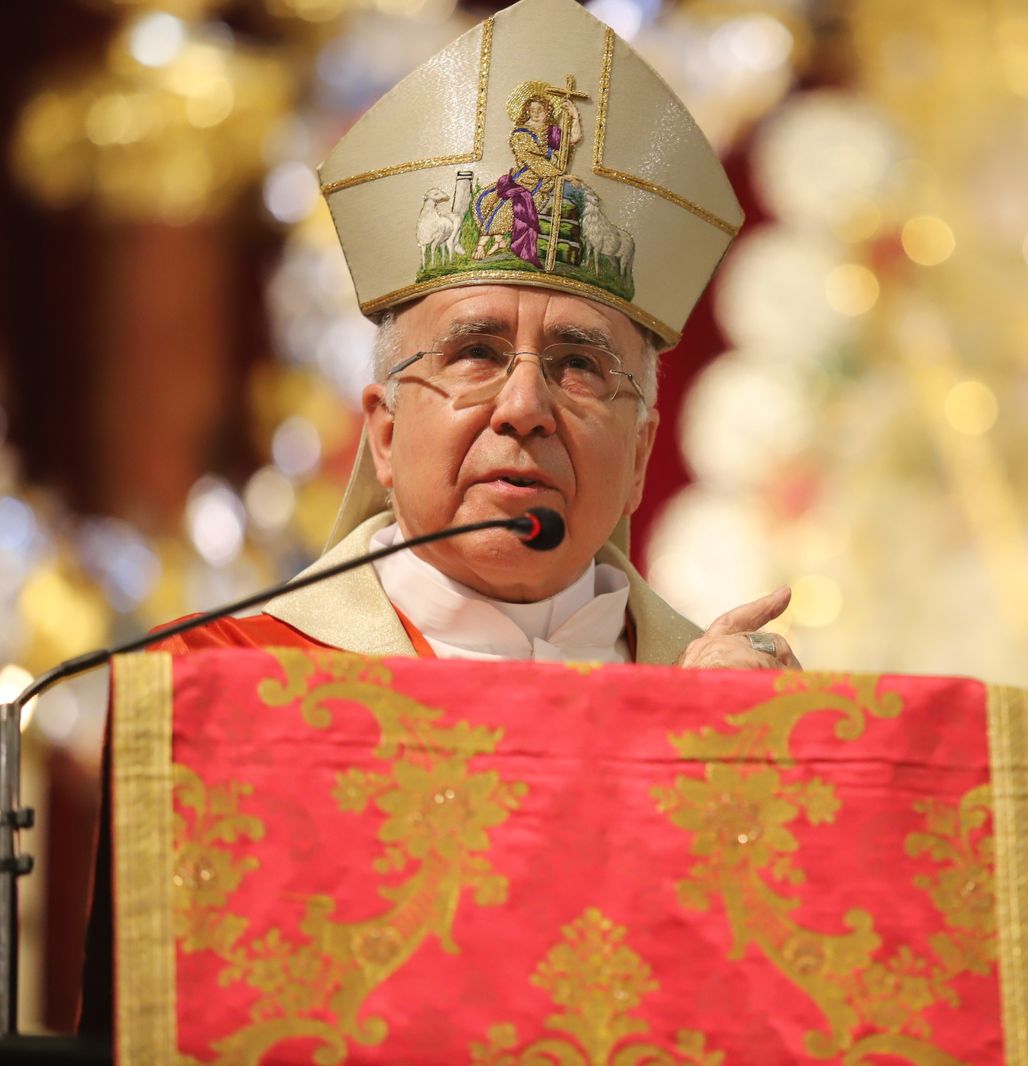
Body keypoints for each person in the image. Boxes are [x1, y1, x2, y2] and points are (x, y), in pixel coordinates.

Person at [81, 0, 795, 1034]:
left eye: (582, 366)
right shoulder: (229, 691)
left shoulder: (739, 709)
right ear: (380, 430)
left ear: (642, 453)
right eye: (471, 354)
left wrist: (754, 779)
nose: (522, 407)